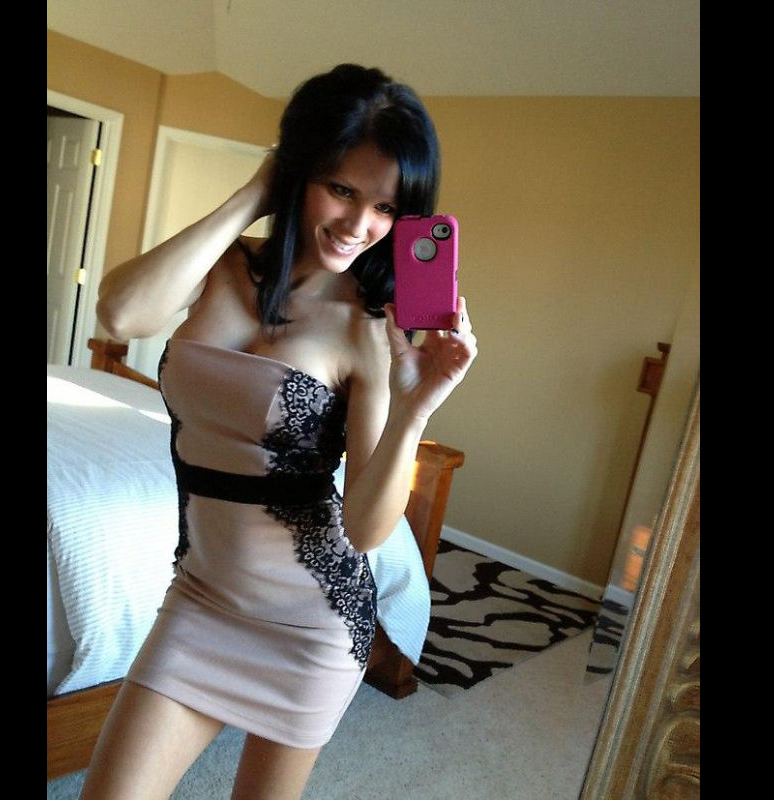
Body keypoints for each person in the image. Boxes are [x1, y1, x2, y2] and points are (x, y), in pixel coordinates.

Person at [81, 63, 477, 800]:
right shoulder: (226, 267)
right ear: (298, 169)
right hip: (200, 598)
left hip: (310, 625)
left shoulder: (370, 328)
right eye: (342, 189)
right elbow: (121, 314)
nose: (359, 226)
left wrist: (415, 408)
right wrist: (256, 192)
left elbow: (366, 529)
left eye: (387, 208)